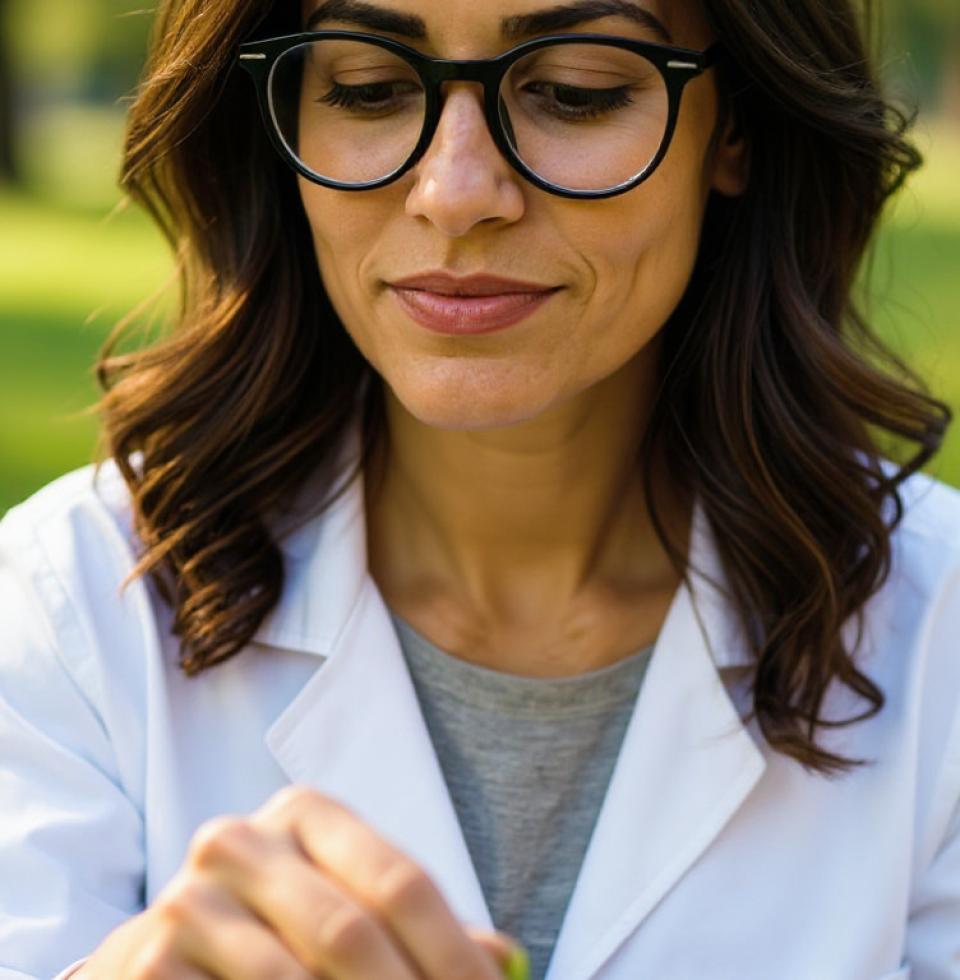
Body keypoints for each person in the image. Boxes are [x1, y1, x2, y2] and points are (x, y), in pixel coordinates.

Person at [1, 0, 958, 976]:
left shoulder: (943, 634)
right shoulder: (64, 607)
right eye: (369, 89)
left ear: (739, 124)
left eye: (573, 94)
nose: (455, 192)